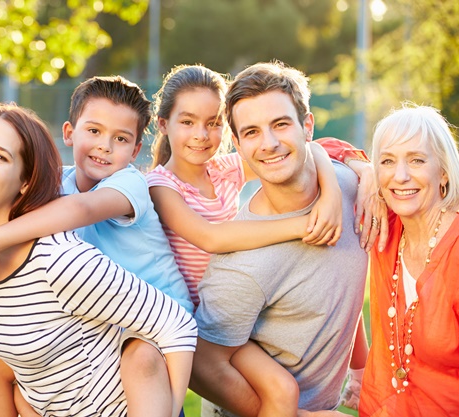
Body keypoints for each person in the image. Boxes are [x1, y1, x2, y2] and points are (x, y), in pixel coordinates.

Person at [0, 76, 193, 417]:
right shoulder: (57, 186)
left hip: (157, 329)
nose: (105, 146)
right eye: (94, 131)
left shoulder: (128, 185)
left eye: (120, 138)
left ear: (136, 150)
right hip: (102, 326)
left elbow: (78, 210)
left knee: (141, 357)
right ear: (69, 132)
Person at [146, 64, 378, 414]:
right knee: (281, 392)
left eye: (212, 123)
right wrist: (303, 226)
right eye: (187, 122)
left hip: (236, 323)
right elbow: (211, 237)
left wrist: (344, 182)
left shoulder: (223, 169)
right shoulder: (161, 185)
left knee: (282, 387)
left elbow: (307, 151)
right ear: (163, 124)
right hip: (191, 325)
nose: (201, 135)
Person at [359, 103, 459, 416]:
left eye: (416, 160)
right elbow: (319, 150)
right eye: (387, 161)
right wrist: (361, 170)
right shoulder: (383, 227)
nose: (400, 176)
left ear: (443, 170)